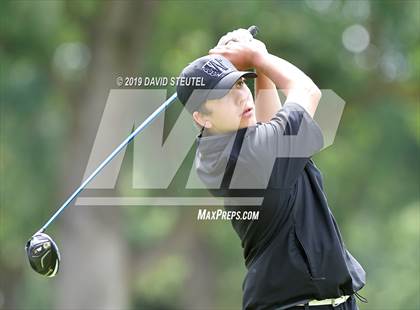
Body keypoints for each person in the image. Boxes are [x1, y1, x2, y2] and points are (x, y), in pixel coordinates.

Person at [176, 28, 367, 310]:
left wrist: (259, 69)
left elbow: (269, 127)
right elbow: (308, 92)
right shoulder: (250, 156)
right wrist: (257, 54)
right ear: (202, 117)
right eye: (225, 94)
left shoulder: (218, 148)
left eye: (240, 84)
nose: (242, 97)